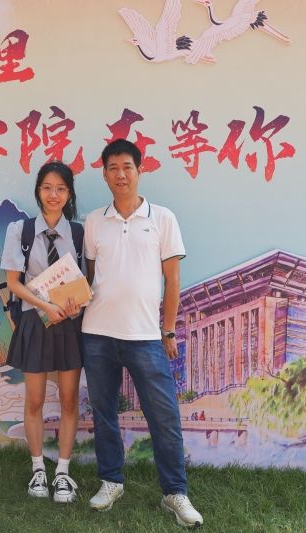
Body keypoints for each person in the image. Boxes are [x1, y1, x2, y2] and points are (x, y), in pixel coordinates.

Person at [82, 139, 203, 527]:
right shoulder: (94, 221)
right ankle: (111, 481)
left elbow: (173, 281)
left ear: (139, 170)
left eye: (127, 167)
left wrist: (168, 330)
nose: (120, 174)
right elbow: (90, 277)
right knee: (104, 414)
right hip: (97, 333)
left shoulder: (163, 218)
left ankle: (175, 493)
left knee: (164, 417)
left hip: (146, 336)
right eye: (113, 168)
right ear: (104, 174)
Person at [1, 161, 83, 503]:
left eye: (61, 189)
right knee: (34, 400)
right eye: (48, 187)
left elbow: (86, 281)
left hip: (69, 324)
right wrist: (45, 306)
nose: (54, 195)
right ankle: (38, 469)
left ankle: (62, 472)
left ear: (69, 194)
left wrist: (75, 305)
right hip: (35, 321)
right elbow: (13, 283)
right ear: (38, 191)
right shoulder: (20, 231)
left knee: (69, 400)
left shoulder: (78, 233)